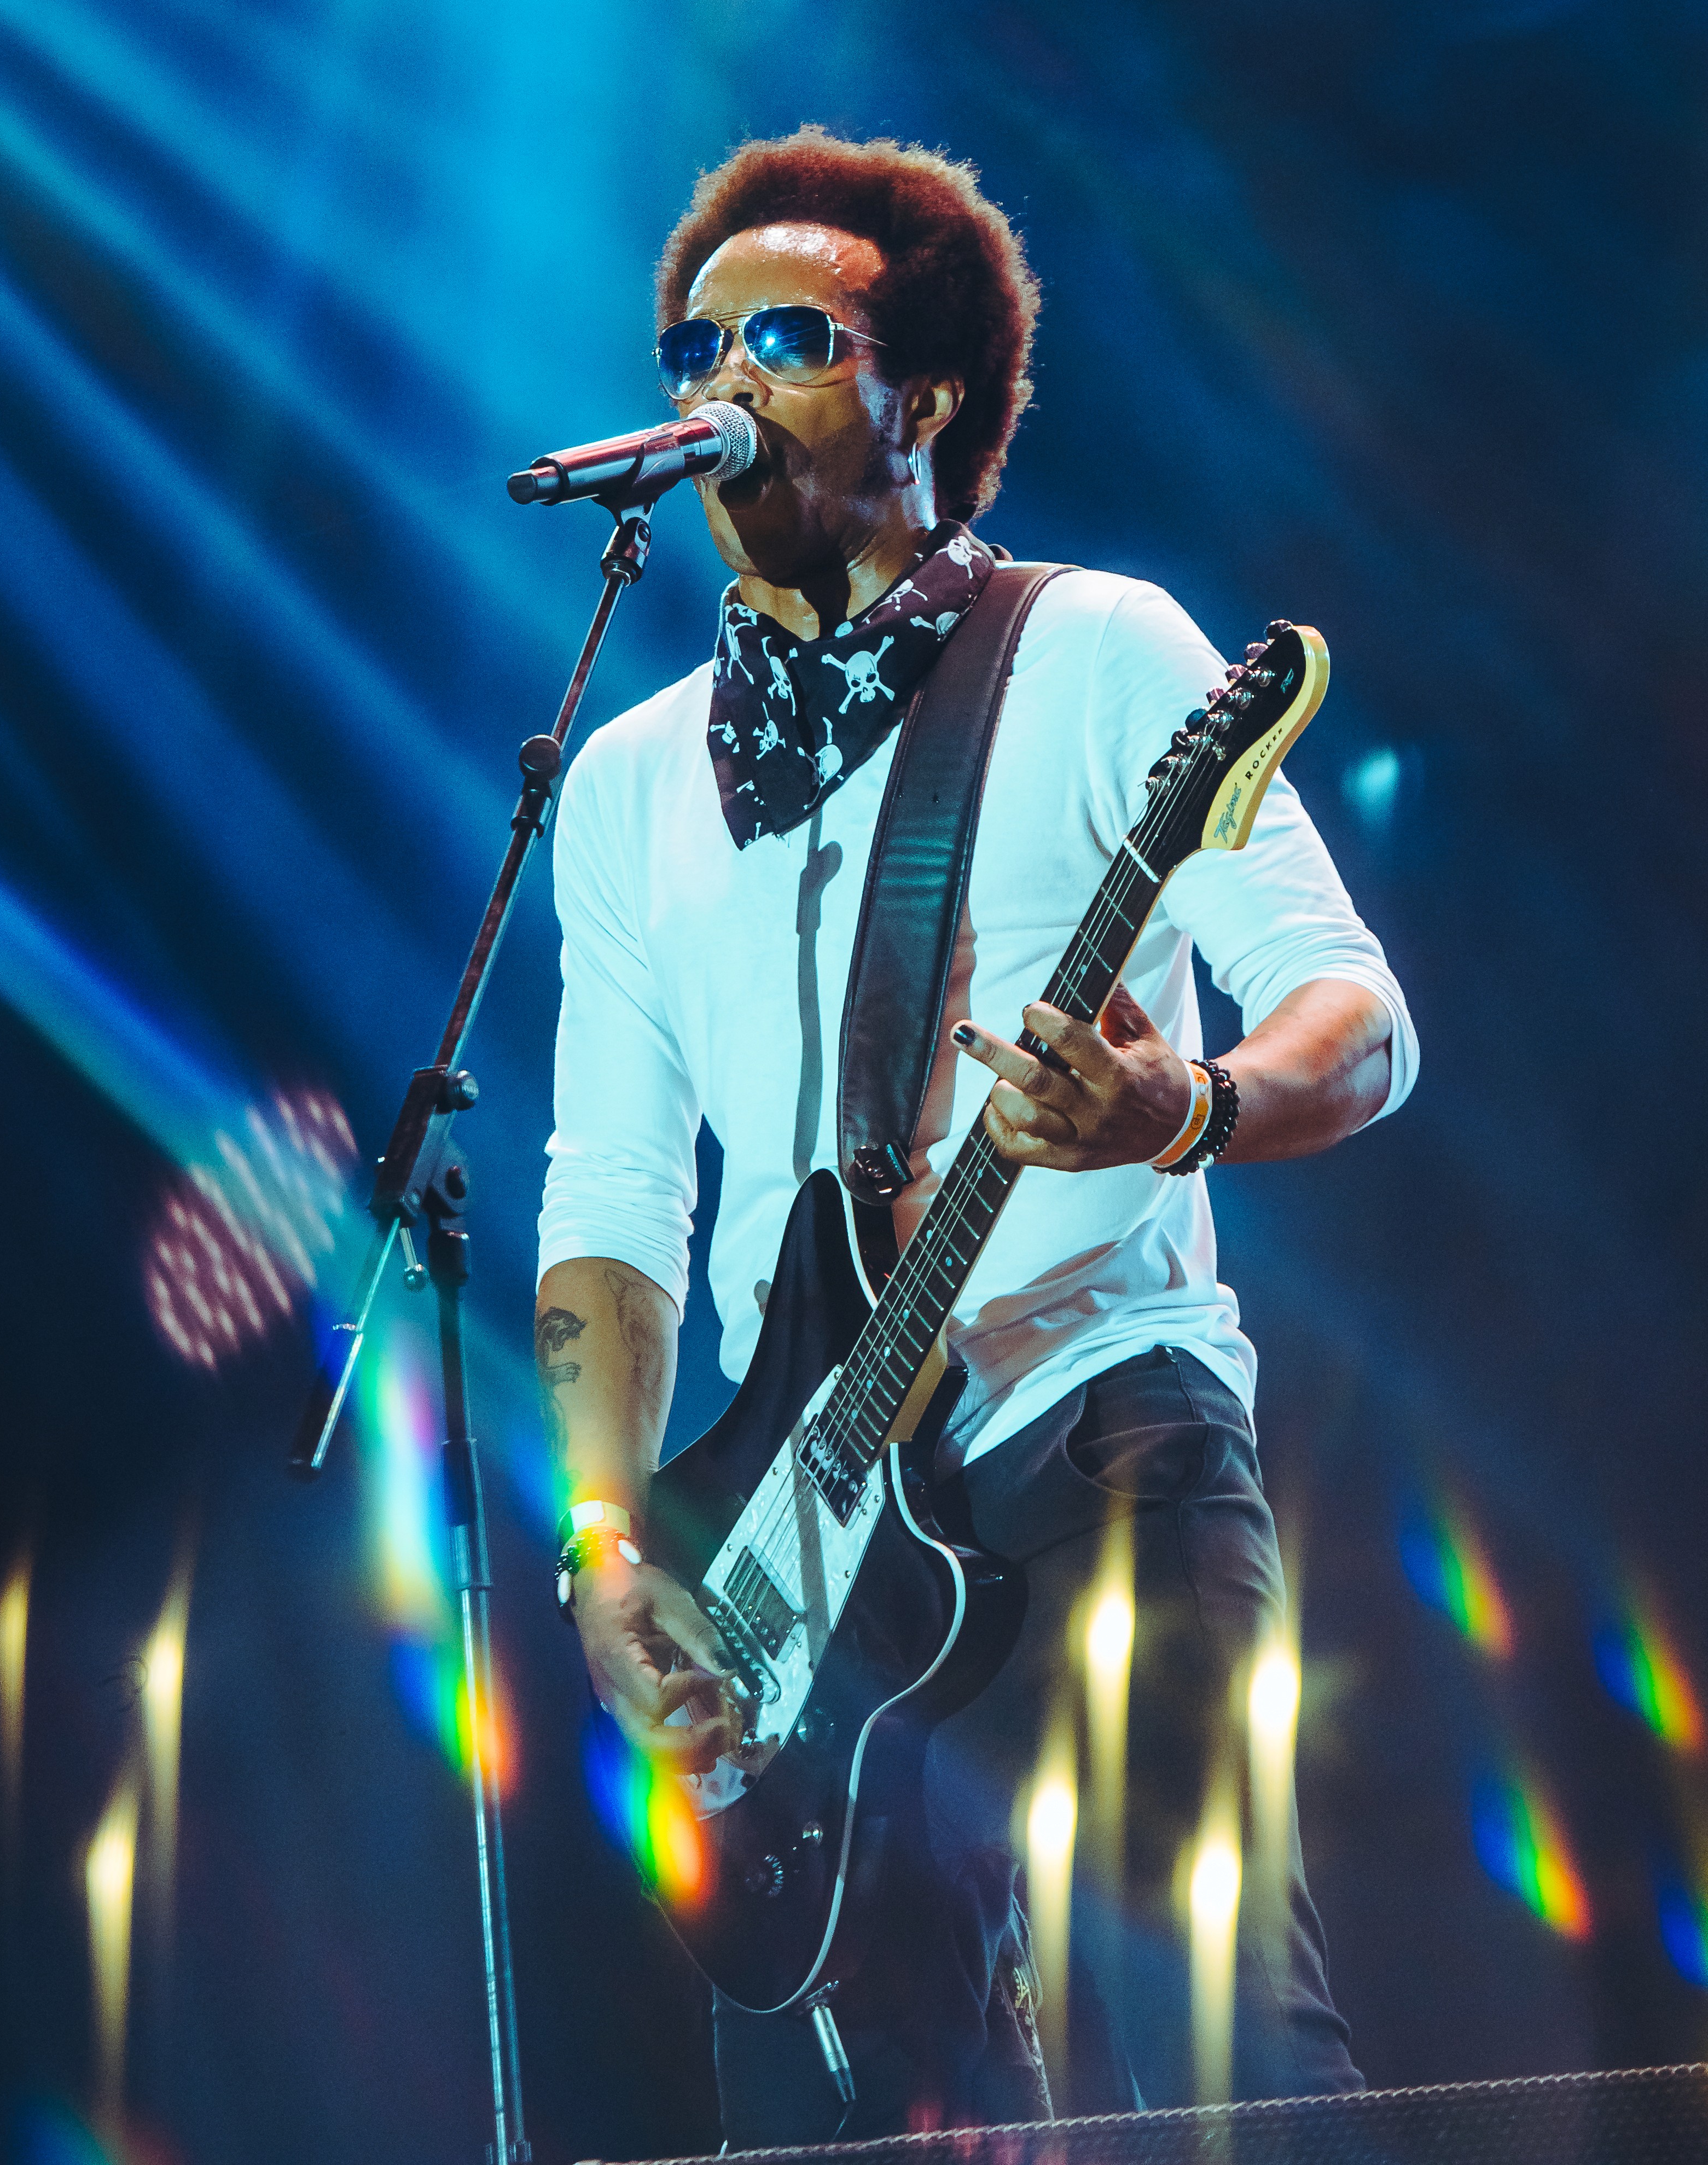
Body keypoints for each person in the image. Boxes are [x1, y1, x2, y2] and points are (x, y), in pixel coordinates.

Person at [533, 127, 1416, 2138]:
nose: (722, 381)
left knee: (1223, 2056)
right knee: (874, 2119)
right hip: (797, 1544)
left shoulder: (1093, 647)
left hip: (1092, 1434)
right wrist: (605, 1543)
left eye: (785, 337)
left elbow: (1357, 1017)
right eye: (695, 346)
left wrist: (1186, 1105)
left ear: (921, 397)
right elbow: (612, 1192)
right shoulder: (630, 782)